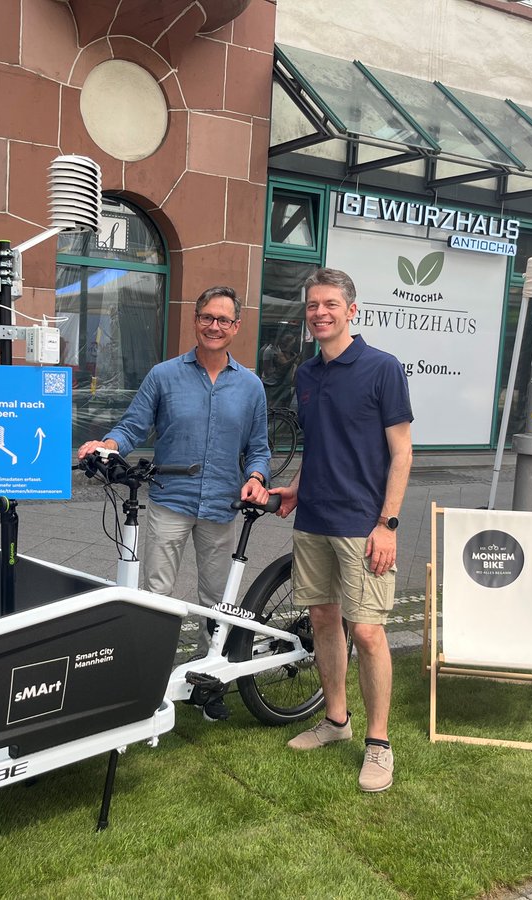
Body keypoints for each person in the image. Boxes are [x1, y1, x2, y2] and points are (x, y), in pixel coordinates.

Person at [77, 285, 270, 720]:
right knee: (157, 597)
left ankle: (210, 682)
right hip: (169, 502)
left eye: (223, 319)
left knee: (216, 600)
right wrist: (107, 446)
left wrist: (257, 477)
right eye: (207, 317)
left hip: (223, 506)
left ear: (236, 327)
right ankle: (148, 685)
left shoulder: (251, 386)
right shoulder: (164, 375)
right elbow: (132, 425)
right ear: (195, 320)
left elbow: (259, 448)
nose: (214, 326)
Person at [270, 268, 413, 793]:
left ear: (353, 310)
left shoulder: (382, 368)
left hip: (364, 525)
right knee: (324, 620)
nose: (320, 313)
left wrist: (387, 524)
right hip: (314, 520)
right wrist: (297, 488)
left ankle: (379, 744)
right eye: (312, 305)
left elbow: (402, 452)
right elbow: (322, 447)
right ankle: (336, 721)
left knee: (369, 631)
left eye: (330, 304)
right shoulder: (307, 374)